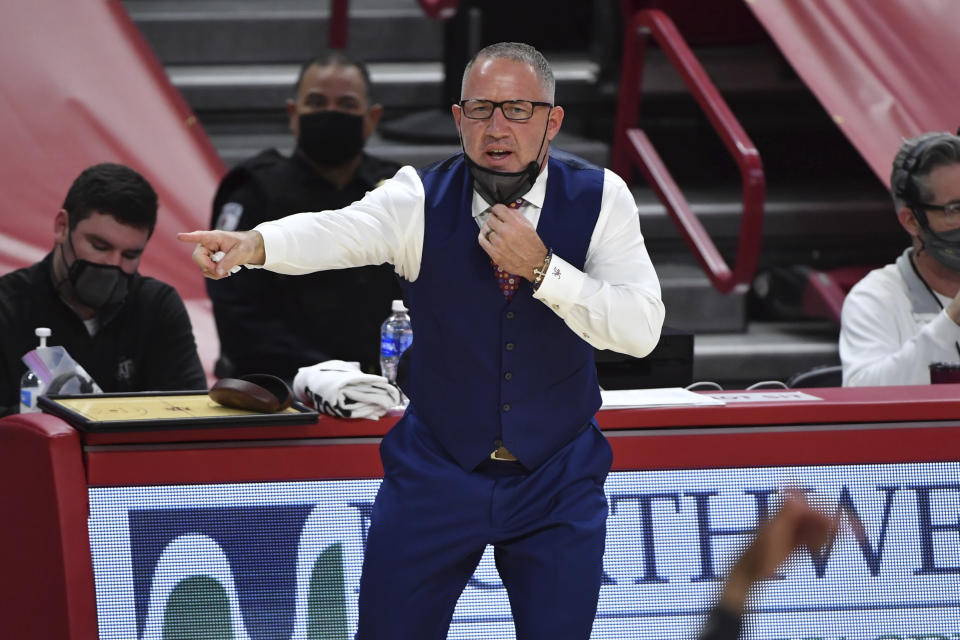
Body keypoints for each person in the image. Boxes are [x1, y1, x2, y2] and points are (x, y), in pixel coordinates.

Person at [180, 42, 665, 639]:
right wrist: (254, 246)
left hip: (558, 478)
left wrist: (543, 270)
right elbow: (340, 229)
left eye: (518, 110)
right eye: (481, 109)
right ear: (458, 120)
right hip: (436, 472)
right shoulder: (417, 198)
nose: (496, 127)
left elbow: (642, 331)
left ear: (552, 121)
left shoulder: (601, 198)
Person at [207, 52, 402, 380]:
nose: (331, 114)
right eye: (316, 102)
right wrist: (329, 374)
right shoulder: (254, 190)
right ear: (293, 113)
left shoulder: (396, 192)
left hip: (386, 388)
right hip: (284, 389)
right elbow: (239, 315)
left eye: (347, 105)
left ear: (372, 118)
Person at [0, 162, 207, 417]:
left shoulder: (157, 309)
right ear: (62, 227)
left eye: (130, 255)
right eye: (100, 246)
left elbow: (191, 420)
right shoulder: (8, 309)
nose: (113, 265)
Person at [840, 132, 960, 386]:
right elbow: (862, 397)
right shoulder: (875, 298)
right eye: (956, 209)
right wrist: (952, 319)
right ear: (912, 221)